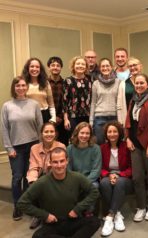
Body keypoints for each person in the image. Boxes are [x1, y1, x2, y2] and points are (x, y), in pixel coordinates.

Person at [17, 147, 101, 238]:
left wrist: (78, 209)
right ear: (50, 163)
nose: (59, 165)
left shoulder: (77, 177)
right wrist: (45, 215)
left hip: (73, 220)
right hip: (54, 223)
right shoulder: (42, 182)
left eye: (62, 161)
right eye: (55, 162)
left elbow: (94, 192)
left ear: (67, 161)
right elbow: (22, 203)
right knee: (37, 236)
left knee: (95, 221)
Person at [1, 76, 43, 221]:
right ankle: (17, 206)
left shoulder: (34, 104)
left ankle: (27, 204)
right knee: (17, 177)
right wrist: (8, 148)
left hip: (33, 145)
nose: (20, 88)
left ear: (27, 87)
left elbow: (40, 126)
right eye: (17, 85)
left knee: (29, 176)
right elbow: (4, 128)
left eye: (23, 85)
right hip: (16, 148)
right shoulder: (7, 106)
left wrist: (40, 145)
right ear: (14, 88)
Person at [125, 73, 148, 222]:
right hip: (134, 144)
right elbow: (128, 121)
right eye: (137, 83)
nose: (139, 85)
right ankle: (141, 206)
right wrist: (127, 138)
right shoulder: (133, 100)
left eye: (142, 83)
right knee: (137, 177)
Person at [27, 122, 66, 229]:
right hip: (40, 176)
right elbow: (33, 166)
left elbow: (61, 167)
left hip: (55, 176)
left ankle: (51, 213)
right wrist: (33, 180)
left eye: (51, 131)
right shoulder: (34, 148)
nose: (49, 134)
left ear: (56, 133)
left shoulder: (61, 146)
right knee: (33, 185)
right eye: (46, 131)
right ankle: (39, 215)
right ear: (41, 134)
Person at [100, 121, 133, 236]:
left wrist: (119, 175)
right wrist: (109, 175)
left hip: (124, 178)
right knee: (104, 183)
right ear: (106, 134)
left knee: (119, 183)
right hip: (108, 176)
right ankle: (116, 214)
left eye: (115, 131)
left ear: (119, 133)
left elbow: (131, 168)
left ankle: (109, 217)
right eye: (109, 132)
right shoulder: (102, 148)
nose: (112, 134)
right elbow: (101, 168)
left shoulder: (126, 146)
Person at [90, 58, 120, 144]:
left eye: (107, 66)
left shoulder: (119, 82)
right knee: (100, 144)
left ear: (112, 67)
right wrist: (91, 121)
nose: (105, 68)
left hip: (114, 117)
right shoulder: (96, 83)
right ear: (99, 68)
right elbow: (93, 102)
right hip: (100, 118)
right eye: (103, 66)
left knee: (114, 144)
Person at [67, 122, 101, 193]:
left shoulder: (96, 148)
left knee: (93, 187)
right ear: (77, 133)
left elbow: (96, 170)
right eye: (82, 133)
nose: (84, 136)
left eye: (87, 133)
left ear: (90, 135)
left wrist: (83, 183)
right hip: (74, 180)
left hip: (91, 181)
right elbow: (68, 169)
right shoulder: (70, 149)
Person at [63, 56, 92, 138]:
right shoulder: (68, 81)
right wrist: (66, 119)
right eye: (78, 63)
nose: (80, 66)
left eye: (83, 64)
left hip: (87, 116)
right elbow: (64, 101)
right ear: (73, 66)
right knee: (74, 139)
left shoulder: (90, 81)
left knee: (86, 139)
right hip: (72, 117)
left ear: (86, 67)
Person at [22, 57, 56, 123]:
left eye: (37, 67)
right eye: (32, 66)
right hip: (28, 115)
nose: (34, 69)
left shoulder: (46, 83)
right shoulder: (23, 83)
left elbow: (51, 103)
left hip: (44, 115)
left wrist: (53, 117)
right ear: (27, 68)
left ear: (40, 69)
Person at [47, 56, 69, 146]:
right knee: (48, 145)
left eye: (58, 65)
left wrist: (59, 117)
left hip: (62, 120)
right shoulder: (44, 83)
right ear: (49, 67)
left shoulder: (66, 83)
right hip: (47, 119)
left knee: (63, 145)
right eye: (53, 65)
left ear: (61, 68)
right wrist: (52, 117)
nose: (55, 67)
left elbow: (67, 102)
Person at [117, 57, 143, 126]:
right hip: (128, 119)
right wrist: (121, 122)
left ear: (140, 66)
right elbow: (119, 105)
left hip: (143, 118)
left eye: (135, 65)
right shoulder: (123, 84)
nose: (132, 67)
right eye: (130, 66)